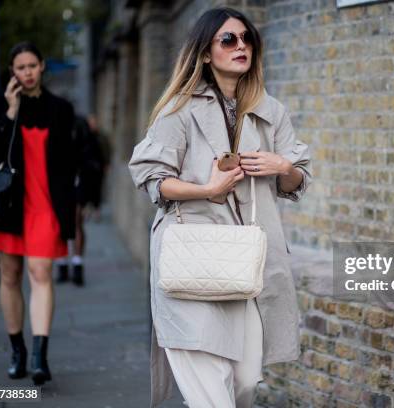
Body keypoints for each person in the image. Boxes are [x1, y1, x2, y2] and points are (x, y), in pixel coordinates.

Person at [129, 7, 312, 408]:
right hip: (191, 256)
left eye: (247, 39)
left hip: (245, 263)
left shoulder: (271, 111)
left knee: (245, 382)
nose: (240, 46)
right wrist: (208, 188)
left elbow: (297, 180)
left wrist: (283, 167)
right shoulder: (178, 109)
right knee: (212, 393)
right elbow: (151, 178)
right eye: (228, 39)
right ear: (206, 53)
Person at [0, 42, 77, 386]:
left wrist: (72, 206)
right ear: (12, 71)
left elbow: (66, 162)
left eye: (33, 65)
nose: (28, 72)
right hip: (9, 205)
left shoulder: (60, 108)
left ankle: (39, 357)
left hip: (45, 204)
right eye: (21, 67)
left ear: (43, 66)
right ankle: (16, 351)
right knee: (9, 274)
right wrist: (11, 111)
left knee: (40, 270)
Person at [55, 114, 107, 286]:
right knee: (71, 223)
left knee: (70, 222)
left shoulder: (69, 130)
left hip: (72, 183)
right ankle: (71, 264)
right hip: (73, 183)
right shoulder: (83, 133)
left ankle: (70, 264)